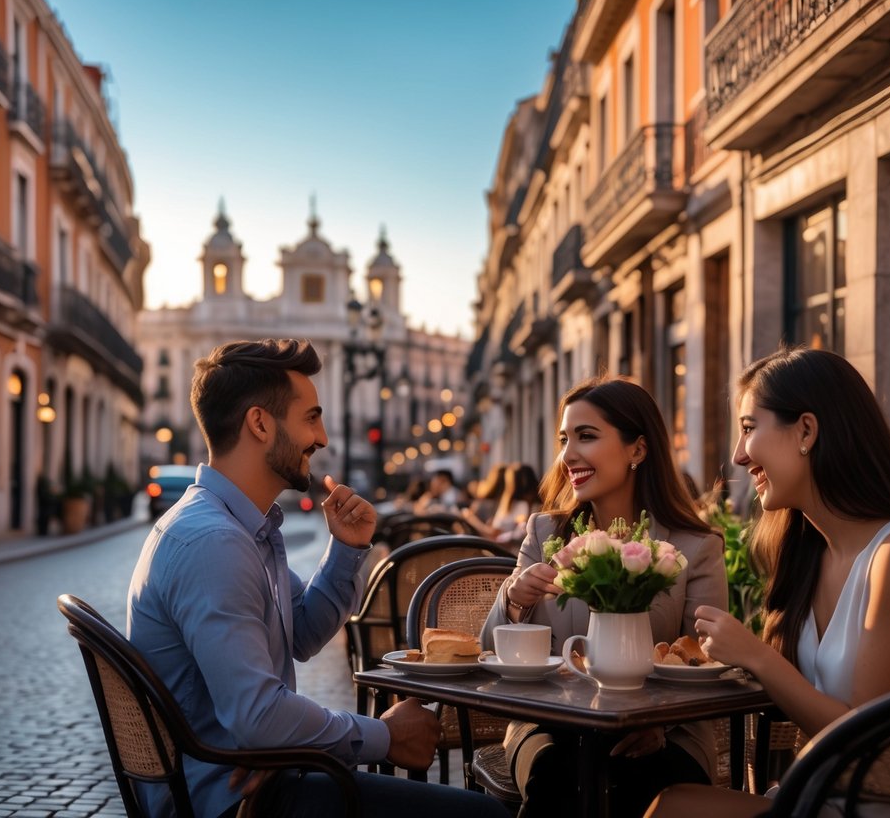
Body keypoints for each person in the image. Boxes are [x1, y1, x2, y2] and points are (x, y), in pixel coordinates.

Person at [127, 339, 507, 818]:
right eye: (311, 418)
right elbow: (259, 718)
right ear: (260, 423)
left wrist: (347, 548)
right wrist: (385, 737)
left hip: (252, 775)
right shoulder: (213, 541)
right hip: (233, 803)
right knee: (484, 815)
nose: (322, 437)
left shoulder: (239, 526)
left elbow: (303, 634)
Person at [645, 347, 890, 817]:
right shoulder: (812, 553)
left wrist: (757, 656)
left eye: (748, 429)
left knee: (672, 808)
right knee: (663, 798)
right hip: (826, 796)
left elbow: (863, 739)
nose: (738, 456)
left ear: (806, 430)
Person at [480, 377, 728, 818]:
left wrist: (659, 723)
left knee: (636, 776)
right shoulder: (545, 532)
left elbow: (703, 660)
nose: (568, 454)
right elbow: (490, 650)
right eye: (564, 439)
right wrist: (514, 597)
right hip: (549, 726)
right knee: (557, 772)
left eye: (586, 436)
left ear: (637, 449)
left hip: (665, 732)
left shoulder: (695, 546)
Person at [463, 463, 541, 549]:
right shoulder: (538, 505)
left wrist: (471, 518)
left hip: (507, 554)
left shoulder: (516, 505)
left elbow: (494, 534)